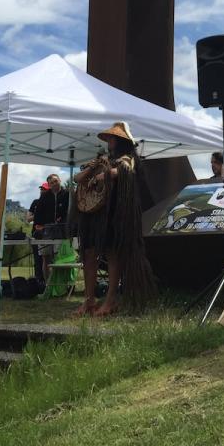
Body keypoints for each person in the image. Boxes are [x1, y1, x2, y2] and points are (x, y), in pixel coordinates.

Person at [72, 121, 154, 317]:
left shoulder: (128, 158)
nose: (108, 140)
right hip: (95, 214)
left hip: (114, 213)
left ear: (120, 140)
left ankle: (111, 300)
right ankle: (89, 301)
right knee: (89, 253)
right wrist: (92, 170)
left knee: (112, 254)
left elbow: (125, 171)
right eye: (108, 137)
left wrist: (105, 174)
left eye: (111, 137)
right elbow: (77, 179)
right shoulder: (103, 160)